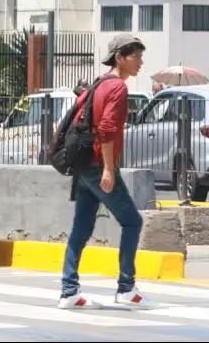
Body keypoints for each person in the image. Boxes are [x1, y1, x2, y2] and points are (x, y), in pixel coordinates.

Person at [58, 33, 151, 310]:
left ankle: (69, 291)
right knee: (132, 222)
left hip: (84, 165)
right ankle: (126, 288)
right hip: (99, 164)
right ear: (120, 57)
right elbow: (108, 130)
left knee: (81, 227)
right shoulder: (117, 89)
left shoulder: (98, 84)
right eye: (136, 56)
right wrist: (109, 170)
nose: (140, 62)